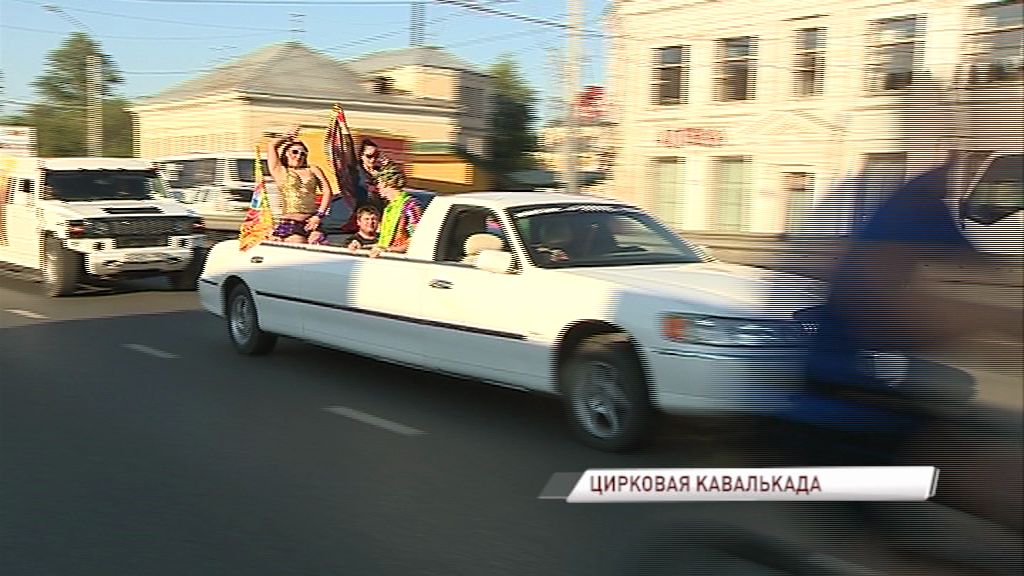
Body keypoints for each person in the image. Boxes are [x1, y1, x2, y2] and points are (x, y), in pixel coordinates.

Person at [267, 127, 334, 244]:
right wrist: (286, 137)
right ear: (286, 154)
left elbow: (327, 191)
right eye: (295, 152)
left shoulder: (313, 169)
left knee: (320, 244)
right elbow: (271, 146)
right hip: (290, 222)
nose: (299, 156)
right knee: (298, 244)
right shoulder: (281, 171)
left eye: (303, 154)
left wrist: (319, 215)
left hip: (311, 221)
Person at [369, 161, 422, 258]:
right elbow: (384, 241)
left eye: (378, 183)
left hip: (401, 261)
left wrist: (389, 250)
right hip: (385, 260)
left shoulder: (410, 206)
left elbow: (416, 240)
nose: (377, 187)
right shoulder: (389, 208)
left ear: (385, 183)